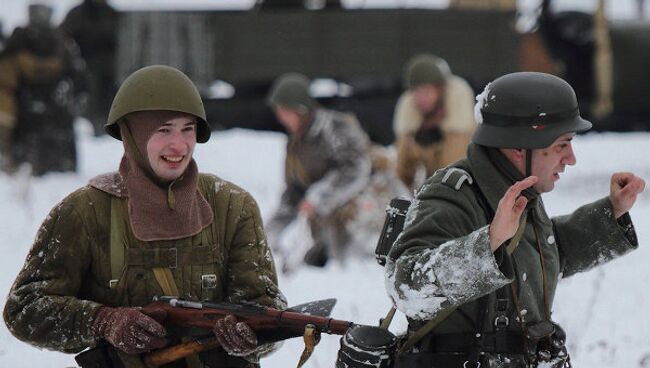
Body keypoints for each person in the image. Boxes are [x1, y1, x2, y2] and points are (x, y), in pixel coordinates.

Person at [3, 65, 287, 368]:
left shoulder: (233, 206)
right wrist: (102, 321)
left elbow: (265, 309)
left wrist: (250, 337)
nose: (178, 145)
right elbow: (25, 309)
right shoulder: (84, 212)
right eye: (163, 130)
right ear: (132, 135)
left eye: (187, 129)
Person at [384, 72, 644, 367]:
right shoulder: (453, 194)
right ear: (520, 146)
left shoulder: (518, 189)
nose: (571, 158)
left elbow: (541, 253)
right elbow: (405, 286)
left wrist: (611, 213)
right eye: (562, 144)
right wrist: (488, 243)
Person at [264, 72, 373, 270]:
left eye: (284, 110)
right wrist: (268, 235)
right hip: (324, 218)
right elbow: (293, 193)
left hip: (363, 209)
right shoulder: (295, 144)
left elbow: (357, 170)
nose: (280, 117)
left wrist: (318, 198)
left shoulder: (336, 128)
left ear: (300, 110)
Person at [0, 3, 88, 175]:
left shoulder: (54, 39)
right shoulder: (59, 40)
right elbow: (78, 74)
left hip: (37, 102)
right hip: (40, 102)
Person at [393, 53, 476, 191]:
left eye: (426, 91)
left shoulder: (461, 128)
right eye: (416, 92)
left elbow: (452, 174)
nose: (421, 98)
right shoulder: (412, 125)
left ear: (441, 89)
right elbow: (402, 173)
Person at [60, 0, 119, 136]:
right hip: (86, 65)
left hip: (112, 66)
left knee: (112, 95)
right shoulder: (78, 14)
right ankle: (96, 126)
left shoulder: (111, 13)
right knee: (92, 94)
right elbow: (62, 35)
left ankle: (111, 126)